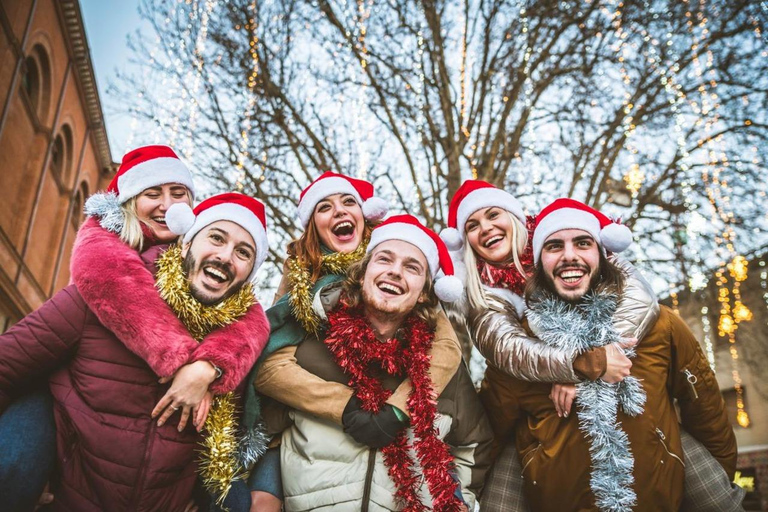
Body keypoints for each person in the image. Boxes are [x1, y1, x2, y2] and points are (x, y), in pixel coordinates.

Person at [0, 191, 271, 511]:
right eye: (216, 237)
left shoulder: (236, 351)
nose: (226, 256)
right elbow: (7, 366)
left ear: (249, 275)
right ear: (185, 244)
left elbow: (223, 453)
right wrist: (27, 469)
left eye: (243, 252)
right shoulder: (99, 299)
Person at [479, 198, 738, 511]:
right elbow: (492, 431)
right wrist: (573, 367)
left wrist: (718, 479)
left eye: (583, 243)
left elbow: (706, 410)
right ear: (540, 263)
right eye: (554, 246)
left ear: (602, 256)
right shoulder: (520, 346)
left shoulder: (660, 326)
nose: (569, 256)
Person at [241, 172, 464, 512]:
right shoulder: (300, 276)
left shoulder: (397, 257)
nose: (340, 212)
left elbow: (446, 349)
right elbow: (272, 358)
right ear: (313, 225)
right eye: (325, 207)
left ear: (364, 216)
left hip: (389, 452)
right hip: (294, 432)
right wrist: (344, 405)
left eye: (349, 203)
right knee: (261, 502)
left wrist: (397, 409)